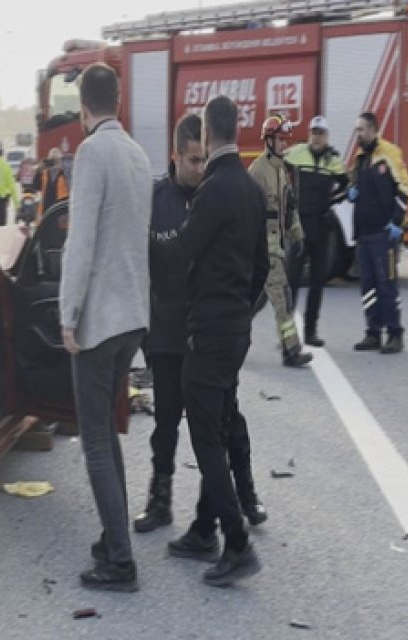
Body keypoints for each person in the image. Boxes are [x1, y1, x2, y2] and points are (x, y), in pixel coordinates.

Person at [133, 113, 266, 534]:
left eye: (202, 157)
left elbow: (255, 264)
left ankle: (244, 495)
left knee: (227, 423)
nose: (198, 165)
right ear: (174, 157)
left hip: (208, 334)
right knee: (167, 421)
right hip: (168, 334)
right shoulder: (154, 200)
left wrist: (237, 314)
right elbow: (141, 265)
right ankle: (160, 500)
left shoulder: (217, 194)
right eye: (192, 159)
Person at [162, 95, 266, 588]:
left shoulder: (213, 189)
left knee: (205, 438)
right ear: (237, 130)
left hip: (209, 331)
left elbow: (184, 249)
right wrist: (239, 311)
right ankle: (204, 529)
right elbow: (264, 268)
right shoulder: (249, 188)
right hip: (237, 330)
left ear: (206, 134)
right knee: (219, 425)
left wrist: (151, 241)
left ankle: (236, 542)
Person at [59, 62, 152, 592]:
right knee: (108, 434)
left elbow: (81, 242)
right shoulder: (137, 154)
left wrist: (68, 314)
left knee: (95, 436)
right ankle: (113, 537)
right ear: (116, 100)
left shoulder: (91, 153)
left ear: (83, 109)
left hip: (100, 318)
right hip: (134, 316)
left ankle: (119, 561)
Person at [248, 114, 313, 367]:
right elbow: (249, 213)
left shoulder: (282, 172)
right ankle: (291, 351)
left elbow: (289, 209)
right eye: (281, 140)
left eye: (285, 141)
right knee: (283, 299)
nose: (285, 145)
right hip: (265, 251)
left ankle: (231, 335)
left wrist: (298, 235)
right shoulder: (258, 171)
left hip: (278, 249)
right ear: (269, 140)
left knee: (257, 301)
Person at [348, 112, 408, 354]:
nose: (358, 135)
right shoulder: (360, 157)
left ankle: (395, 333)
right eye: (356, 130)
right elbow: (355, 186)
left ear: (373, 129)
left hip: (383, 234)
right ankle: (373, 332)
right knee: (369, 287)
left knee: (387, 286)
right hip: (363, 234)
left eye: (361, 130)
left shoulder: (389, 153)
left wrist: (397, 222)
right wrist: (351, 191)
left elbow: (405, 189)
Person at [285, 115, 349, 347]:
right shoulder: (296, 153)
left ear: (327, 136)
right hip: (299, 226)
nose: (316, 136)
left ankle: (310, 331)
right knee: (291, 280)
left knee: (316, 281)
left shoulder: (333, 159)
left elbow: (345, 183)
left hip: (322, 227)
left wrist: (335, 200)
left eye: (321, 133)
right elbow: (278, 170)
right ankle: (288, 333)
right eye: (313, 132)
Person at [32, 147, 70, 215]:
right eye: (52, 160)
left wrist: (63, 168)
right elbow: (35, 186)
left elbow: (71, 187)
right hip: (47, 210)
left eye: (56, 160)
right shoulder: (45, 173)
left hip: (61, 210)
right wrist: (39, 171)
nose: (54, 163)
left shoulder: (65, 173)